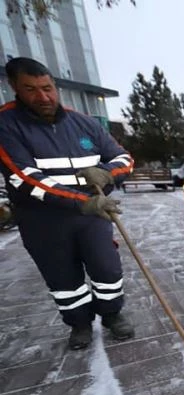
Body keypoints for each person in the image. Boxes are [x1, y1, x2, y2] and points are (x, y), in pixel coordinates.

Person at [0, 57, 134, 349]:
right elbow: (25, 178)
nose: (43, 96)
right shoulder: (6, 125)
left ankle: (112, 314)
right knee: (62, 276)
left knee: (107, 268)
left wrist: (107, 172)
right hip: (43, 220)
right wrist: (81, 202)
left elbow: (124, 159)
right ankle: (79, 323)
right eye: (31, 89)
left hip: (93, 216)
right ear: (15, 88)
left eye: (48, 88)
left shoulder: (83, 124)